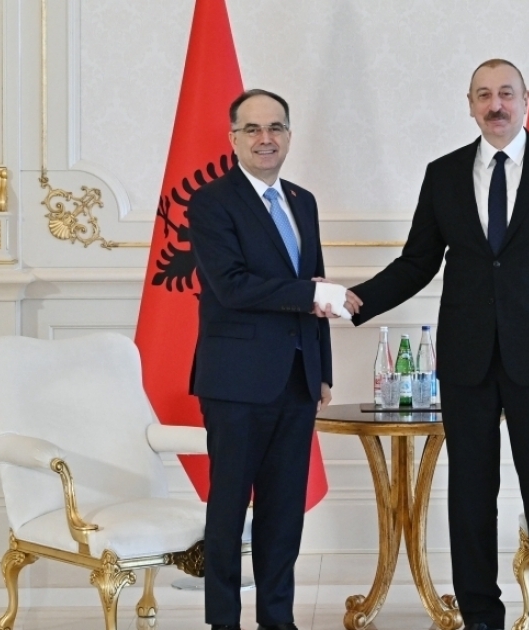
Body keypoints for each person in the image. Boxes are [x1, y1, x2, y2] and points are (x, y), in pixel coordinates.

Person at [347, 59, 529, 630]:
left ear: (525, 102)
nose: (496, 105)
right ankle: (480, 616)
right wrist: (355, 300)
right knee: (470, 494)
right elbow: (417, 262)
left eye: (507, 94)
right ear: (469, 105)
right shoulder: (443, 174)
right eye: (484, 95)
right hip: (467, 358)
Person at [189, 89, 353, 630]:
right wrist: (312, 294)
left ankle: (278, 620)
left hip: (298, 381)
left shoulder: (302, 201)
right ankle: (224, 621)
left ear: (288, 135)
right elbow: (233, 287)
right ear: (233, 138)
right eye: (253, 129)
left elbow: (315, 283)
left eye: (276, 127)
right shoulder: (212, 202)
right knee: (229, 509)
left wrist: (321, 369)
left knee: (284, 514)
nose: (266, 139)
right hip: (236, 384)